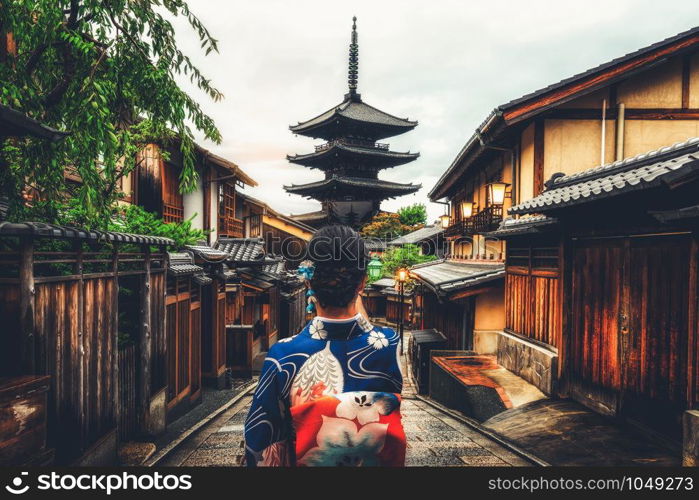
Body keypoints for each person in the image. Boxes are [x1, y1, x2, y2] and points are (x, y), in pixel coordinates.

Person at [244, 225, 405, 467]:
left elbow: (261, 443)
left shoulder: (283, 355)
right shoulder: (391, 345)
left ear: (309, 282)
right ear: (362, 283)